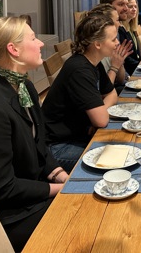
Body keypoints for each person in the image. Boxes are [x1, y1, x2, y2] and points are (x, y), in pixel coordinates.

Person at [0, 16, 68, 251]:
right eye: (34, 38)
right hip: (10, 217)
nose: (41, 44)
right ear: (13, 49)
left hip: (30, 194)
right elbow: (3, 190)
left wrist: (59, 174)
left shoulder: (24, 87)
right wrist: (61, 190)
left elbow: (40, 144)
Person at [42, 13, 118, 173]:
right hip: (57, 147)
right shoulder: (79, 69)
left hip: (78, 137)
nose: (117, 43)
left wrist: (99, 111)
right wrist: (99, 115)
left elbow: (112, 94)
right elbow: (102, 120)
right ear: (97, 44)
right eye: (113, 39)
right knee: (116, 162)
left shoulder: (93, 63)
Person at [85, 3, 133, 93]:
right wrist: (114, 67)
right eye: (117, 20)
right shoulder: (95, 55)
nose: (120, 24)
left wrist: (120, 61)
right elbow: (104, 93)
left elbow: (120, 80)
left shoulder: (106, 47)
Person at [100, 0, 139, 76]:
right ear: (107, 7)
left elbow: (120, 78)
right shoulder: (100, 36)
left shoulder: (116, 30)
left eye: (126, 4)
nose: (126, 9)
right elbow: (104, 86)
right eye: (121, 4)